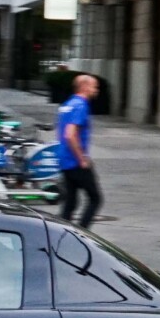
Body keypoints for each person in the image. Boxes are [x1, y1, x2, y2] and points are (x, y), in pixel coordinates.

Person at [56, 72, 101, 228]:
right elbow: (70, 134)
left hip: (64, 159)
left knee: (70, 203)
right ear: (84, 86)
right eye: (94, 86)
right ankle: (82, 233)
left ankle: (61, 232)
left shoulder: (68, 104)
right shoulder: (81, 105)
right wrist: (81, 158)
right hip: (75, 161)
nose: (96, 90)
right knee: (95, 198)